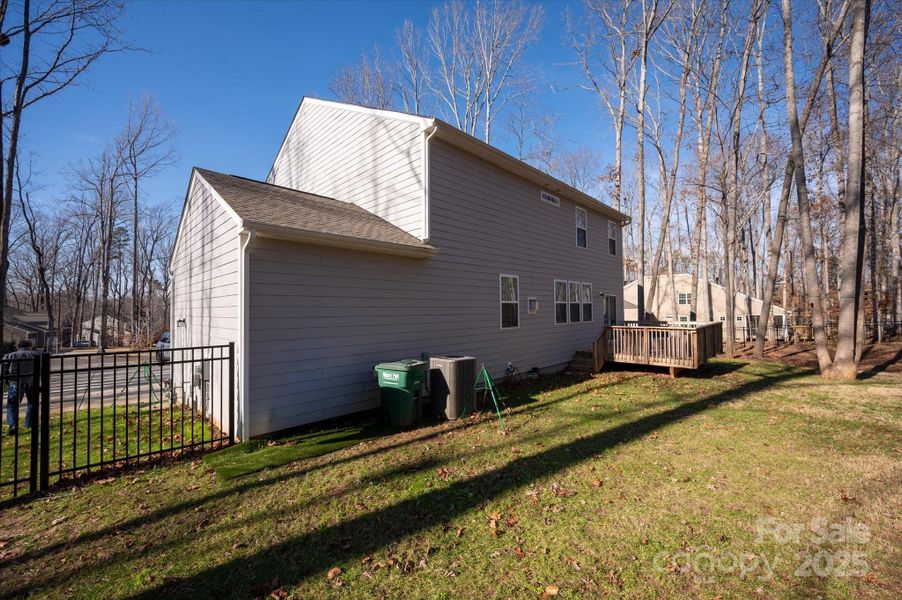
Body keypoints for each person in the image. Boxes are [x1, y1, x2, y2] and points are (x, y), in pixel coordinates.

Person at [4, 339, 37, 435]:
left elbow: (4, 371)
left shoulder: (10, 356)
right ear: (30, 346)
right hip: (31, 382)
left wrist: (7, 381)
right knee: (32, 403)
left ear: (18, 347)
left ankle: (12, 425)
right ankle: (29, 424)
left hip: (15, 382)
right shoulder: (36, 355)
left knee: (12, 404)